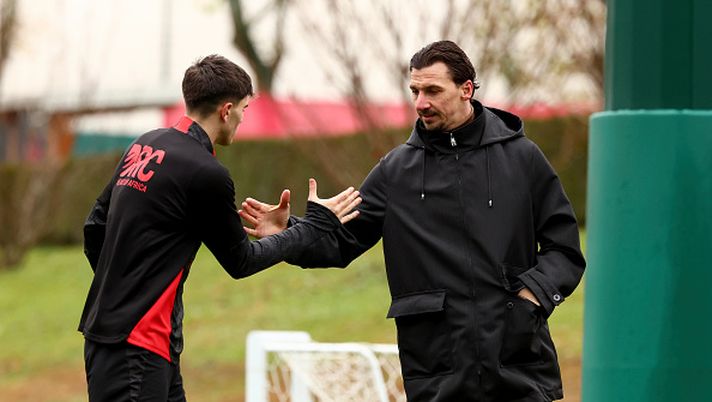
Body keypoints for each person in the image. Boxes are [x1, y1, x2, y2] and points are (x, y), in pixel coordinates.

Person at [240, 41, 586, 402]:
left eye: (433, 90)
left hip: (518, 367)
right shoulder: (395, 171)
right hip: (438, 372)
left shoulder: (522, 158)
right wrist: (288, 233)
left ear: (466, 89)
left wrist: (529, 300)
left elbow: (563, 248)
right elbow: (342, 242)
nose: (421, 102)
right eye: (415, 91)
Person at [79, 54, 361, 402]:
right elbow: (241, 261)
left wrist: (122, 291)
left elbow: (95, 228)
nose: (243, 118)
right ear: (226, 110)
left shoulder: (146, 144)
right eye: (244, 108)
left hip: (126, 340)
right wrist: (314, 226)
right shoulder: (205, 172)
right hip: (138, 346)